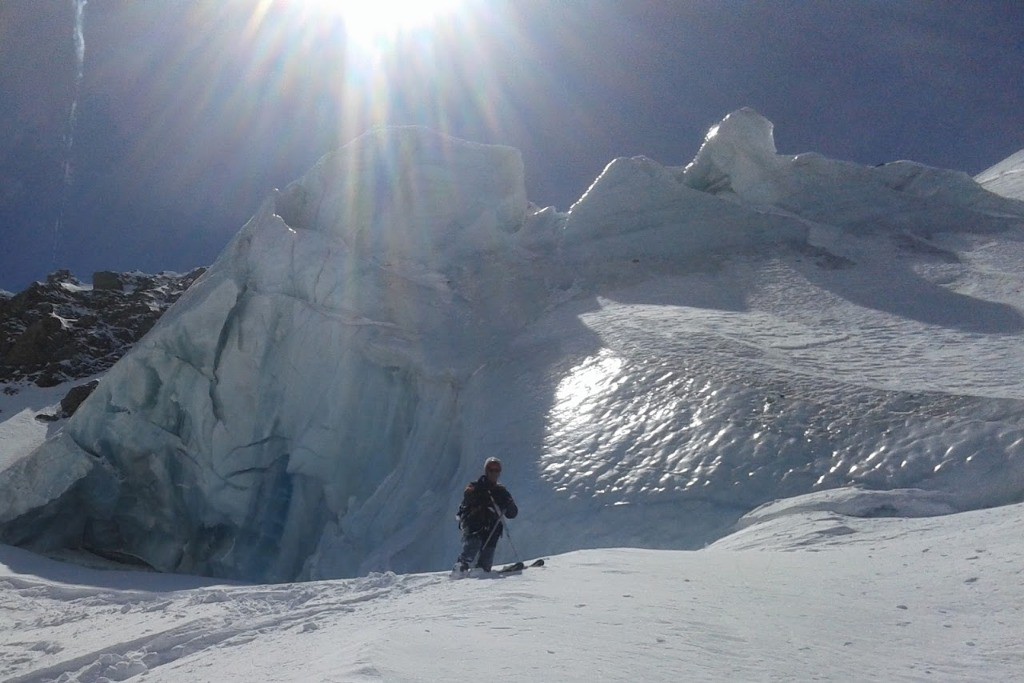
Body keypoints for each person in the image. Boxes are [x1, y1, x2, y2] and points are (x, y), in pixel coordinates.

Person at [454, 457, 518, 573]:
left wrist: (509, 504)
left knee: (485, 563)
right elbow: (468, 496)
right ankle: (460, 570)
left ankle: (482, 573)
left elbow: (512, 513)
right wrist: (480, 496)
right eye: (491, 469)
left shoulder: (501, 491)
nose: (494, 473)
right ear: (486, 471)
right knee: (471, 550)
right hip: (475, 527)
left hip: (492, 530)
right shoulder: (476, 486)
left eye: (497, 470)